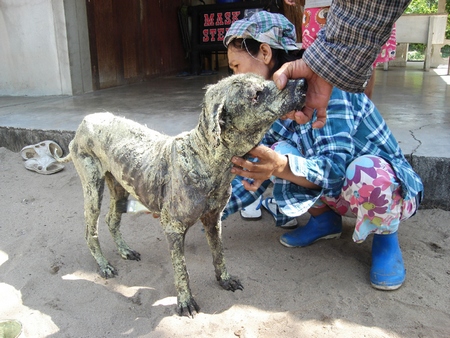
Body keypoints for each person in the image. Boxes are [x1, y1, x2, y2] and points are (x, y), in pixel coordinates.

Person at [221, 11, 423, 290]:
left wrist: (280, 166)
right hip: (338, 191)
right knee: (273, 151)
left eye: (236, 66)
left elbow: (335, 169)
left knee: (365, 171)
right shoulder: (279, 104)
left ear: (265, 53)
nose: (233, 78)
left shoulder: (329, 90)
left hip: (383, 190)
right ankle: (325, 221)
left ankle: (385, 239)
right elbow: (252, 167)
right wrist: (201, 208)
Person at [275, 0, 411, 128]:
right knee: (323, 79)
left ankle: (359, 118)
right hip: (329, 11)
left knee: (361, 69)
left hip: (349, 13)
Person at [287, 0, 397, 99]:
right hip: (317, 7)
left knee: (366, 60)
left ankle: (361, 109)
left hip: (364, 8)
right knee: (313, 62)